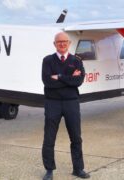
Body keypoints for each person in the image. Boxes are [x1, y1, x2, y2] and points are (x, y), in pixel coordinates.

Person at [41, 32, 90, 180]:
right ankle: (49, 170)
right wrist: (69, 78)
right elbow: (48, 82)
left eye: (64, 42)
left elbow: (78, 81)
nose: (62, 44)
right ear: (54, 44)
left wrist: (60, 77)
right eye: (59, 42)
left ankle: (78, 168)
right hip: (52, 103)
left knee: (76, 137)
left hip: (71, 103)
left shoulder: (76, 61)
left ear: (69, 43)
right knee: (49, 138)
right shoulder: (47, 60)